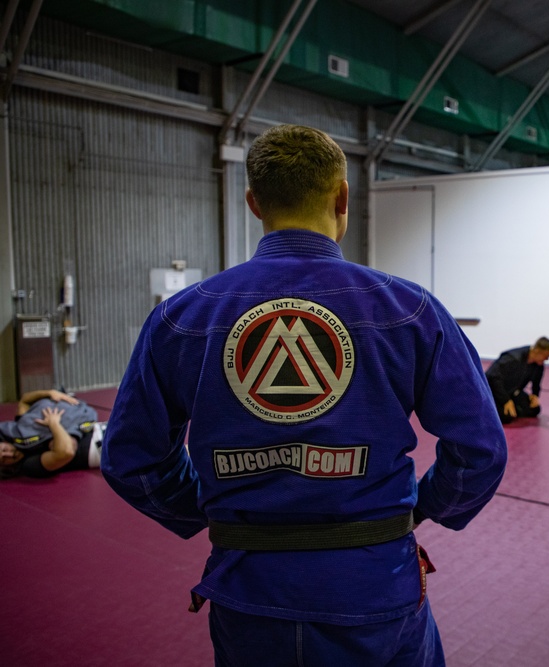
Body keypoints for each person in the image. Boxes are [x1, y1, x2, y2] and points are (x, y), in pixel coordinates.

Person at [101, 124, 507, 666]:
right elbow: (481, 450)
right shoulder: (408, 310)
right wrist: (420, 511)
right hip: (374, 586)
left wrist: (209, 513)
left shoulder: (182, 318)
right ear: (343, 197)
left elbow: (132, 459)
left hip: (247, 589)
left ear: (253, 203)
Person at [0, 389, 102, 479]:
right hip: (98, 448)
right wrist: (54, 423)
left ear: (4, 441)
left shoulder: (19, 431)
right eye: (4, 459)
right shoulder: (30, 465)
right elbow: (66, 452)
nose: (9, 454)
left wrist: (51, 393)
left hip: (98, 428)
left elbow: (25, 400)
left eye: (4, 450)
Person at [485, 337, 549, 424]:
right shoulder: (512, 358)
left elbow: (536, 382)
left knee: (535, 409)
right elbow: (492, 377)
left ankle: (514, 410)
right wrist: (505, 400)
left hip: (513, 392)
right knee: (506, 417)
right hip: (495, 392)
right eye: (546, 356)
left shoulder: (538, 365)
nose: (547, 359)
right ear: (537, 350)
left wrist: (535, 395)